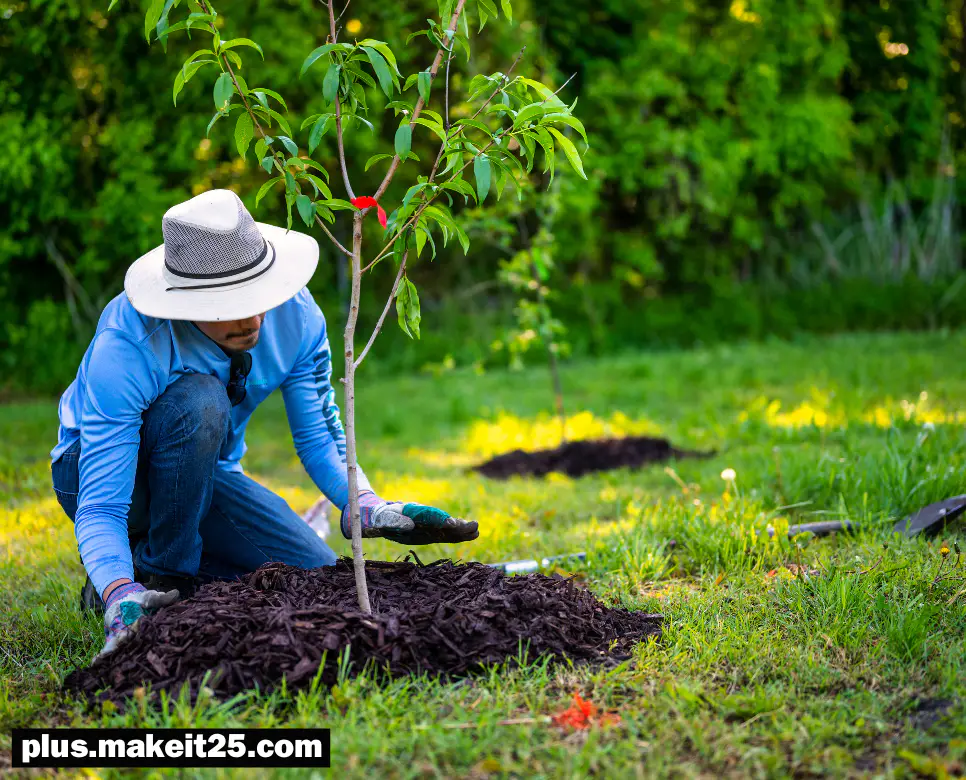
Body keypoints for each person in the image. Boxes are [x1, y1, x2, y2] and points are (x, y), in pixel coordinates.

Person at [50, 189, 478, 659]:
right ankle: (148, 580)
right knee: (200, 400)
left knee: (312, 573)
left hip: (206, 476)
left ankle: (150, 570)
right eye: (229, 302)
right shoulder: (130, 343)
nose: (254, 317)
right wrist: (118, 592)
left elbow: (320, 434)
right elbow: (102, 505)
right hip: (98, 474)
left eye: (259, 295)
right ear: (186, 302)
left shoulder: (296, 317)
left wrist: (365, 505)